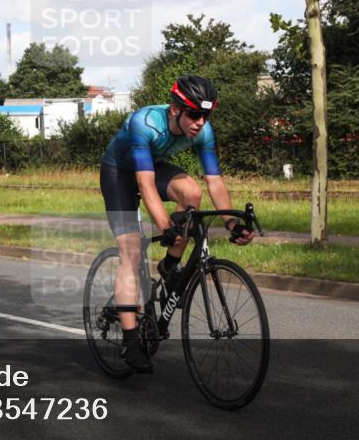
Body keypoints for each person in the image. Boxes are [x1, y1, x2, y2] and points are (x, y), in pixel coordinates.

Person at [99, 75, 255, 373]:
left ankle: (169, 266)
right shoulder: (145, 123)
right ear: (175, 110)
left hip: (152, 167)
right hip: (119, 173)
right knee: (131, 253)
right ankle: (130, 342)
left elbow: (214, 181)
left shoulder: (203, 131)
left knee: (192, 192)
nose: (200, 122)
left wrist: (232, 223)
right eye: (194, 114)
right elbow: (144, 186)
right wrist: (165, 226)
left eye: (206, 115)